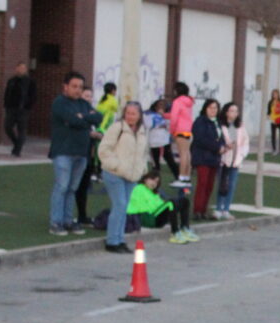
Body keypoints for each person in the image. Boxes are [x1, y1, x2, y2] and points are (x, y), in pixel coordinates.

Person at [48, 71, 102, 236]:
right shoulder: (59, 103)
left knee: (72, 188)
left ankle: (68, 220)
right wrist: (85, 119)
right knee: (62, 187)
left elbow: (98, 117)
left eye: (80, 87)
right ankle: (56, 222)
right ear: (65, 87)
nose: (77, 90)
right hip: (63, 151)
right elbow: (73, 120)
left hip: (81, 152)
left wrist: (82, 117)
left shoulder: (83, 104)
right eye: (74, 86)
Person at [97, 101, 149, 253]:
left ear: (139, 115)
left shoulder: (142, 131)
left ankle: (120, 239)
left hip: (132, 175)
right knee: (119, 204)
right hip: (114, 173)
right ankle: (112, 241)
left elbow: (144, 152)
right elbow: (104, 149)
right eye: (128, 113)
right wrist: (116, 165)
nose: (130, 117)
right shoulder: (117, 128)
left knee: (124, 207)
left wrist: (142, 168)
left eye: (133, 114)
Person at [129, 169, 197, 244]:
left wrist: (162, 206)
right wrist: (162, 207)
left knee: (184, 201)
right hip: (148, 217)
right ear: (145, 179)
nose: (154, 183)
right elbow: (141, 207)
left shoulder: (153, 192)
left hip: (156, 216)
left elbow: (159, 204)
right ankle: (175, 233)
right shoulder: (139, 188)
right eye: (152, 180)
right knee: (171, 203)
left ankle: (185, 228)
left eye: (156, 182)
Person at [73, 87, 104, 227]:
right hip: (77, 154)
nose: (89, 98)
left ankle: (82, 215)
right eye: (86, 95)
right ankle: (66, 216)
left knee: (84, 186)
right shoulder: (76, 109)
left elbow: (98, 119)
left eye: (91, 96)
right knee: (73, 186)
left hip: (89, 155)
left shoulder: (90, 111)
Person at [190, 99, 225, 221]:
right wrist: (217, 148)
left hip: (214, 158)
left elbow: (221, 137)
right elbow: (200, 139)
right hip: (202, 157)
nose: (213, 110)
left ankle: (204, 209)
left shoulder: (218, 122)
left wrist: (223, 146)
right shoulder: (200, 121)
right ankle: (197, 210)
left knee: (210, 185)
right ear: (205, 109)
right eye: (210, 108)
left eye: (215, 108)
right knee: (202, 184)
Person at [216, 102, 249, 221]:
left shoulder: (240, 126)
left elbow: (245, 142)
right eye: (232, 111)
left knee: (231, 185)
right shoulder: (221, 126)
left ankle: (226, 209)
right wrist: (224, 148)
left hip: (236, 160)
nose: (234, 113)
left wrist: (242, 155)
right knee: (222, 184)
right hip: (224, 160)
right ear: (226, 112)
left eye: (236, 111)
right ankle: (218, 209)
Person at [3, 62, 35, 157]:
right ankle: (16, 143)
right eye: (19, 68)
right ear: (16, 69)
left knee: (22, 130)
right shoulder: (12, 81)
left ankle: (17, 150)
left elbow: (33, 96)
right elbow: (7, 93)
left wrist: (28, 106)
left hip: (23, 110)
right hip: (11, 109)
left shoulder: (30, 81)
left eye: (23, 68)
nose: (21, 70)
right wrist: (6, 105)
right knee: (7, 127)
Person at [145, 98, 179, 177]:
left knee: (170, 160)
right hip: (154, 142)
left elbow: (171, 127)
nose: (160, 108)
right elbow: (148, 125)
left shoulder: (168, 116)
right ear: (155, 106)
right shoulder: (149, 115)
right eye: (159, 105)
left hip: (165, 141)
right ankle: (155, 179)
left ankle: (178, 177)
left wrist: (165, 120)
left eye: (163, 106)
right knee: (155, 162)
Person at [169, 82, 195, 186]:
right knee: (187, 154)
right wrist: (166, 115)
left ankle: (181, 177)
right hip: (188, 130)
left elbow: (174, 117)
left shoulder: (177, 101)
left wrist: (172, 130)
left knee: (182, 154)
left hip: (180, 130)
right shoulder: (189, 102)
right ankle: (186, 177)